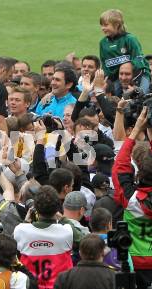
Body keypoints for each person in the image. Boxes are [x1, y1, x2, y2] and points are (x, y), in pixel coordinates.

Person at [112, 107, 152, 288]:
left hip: (135, 262)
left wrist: (136, 131)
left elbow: (120, 167)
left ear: (138, 171)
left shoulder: (132, 199)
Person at [13, 185, 76, 289]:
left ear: (36, 208)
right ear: (57, 209)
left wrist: (25, 221)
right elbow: (86, 239)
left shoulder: (20, 230)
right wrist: (63, 218)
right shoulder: (67, 231)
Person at [99, 9, 150, 94]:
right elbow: (105, 65)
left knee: (141, 96)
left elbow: (138, 59)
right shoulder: (103, 43)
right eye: (101, 25)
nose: (103, 28)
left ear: (117, 24)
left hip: (140, 74)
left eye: (106, 25)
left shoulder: (130, 39)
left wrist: (134, 82)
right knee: (111, 98)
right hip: (119, 79)